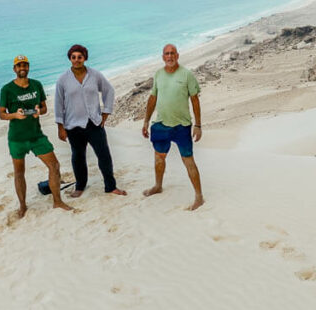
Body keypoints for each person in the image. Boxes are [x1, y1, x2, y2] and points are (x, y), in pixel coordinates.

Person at [0, 55, 72, 217]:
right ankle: (23, 206)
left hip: (37, 136)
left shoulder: (37, 85)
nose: (22, 68)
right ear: (14, 69)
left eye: (24, 65)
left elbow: (44, 108)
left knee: (54, 166)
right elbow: (2, 114)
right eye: (19, 65)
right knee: (19, 173)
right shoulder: (7, 89)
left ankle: (57, 201)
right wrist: (14, 116)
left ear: (28, 67)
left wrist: (40, 111)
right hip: (17, 139)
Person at [54, 44, 126, 198]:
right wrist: (60, 127)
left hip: (94, 123)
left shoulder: (95, 75)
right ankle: (80, 186)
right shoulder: (62, 80)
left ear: (85, 58)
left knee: (104, 155)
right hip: (73, 125)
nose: (77, 60)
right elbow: (58, 103)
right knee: (78, 157)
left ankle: (110, 186)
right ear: (70, 59)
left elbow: (109, 90)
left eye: (80, 57)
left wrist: (106, 112)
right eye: (73, 57)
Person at [141, 43, 204, 210]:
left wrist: (198, 125)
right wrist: (146, 121)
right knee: (159, 158)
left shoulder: (186, 74)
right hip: (161, 125)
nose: (169, 56)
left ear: (178, 55)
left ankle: (199, 197)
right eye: (167, 54)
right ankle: (158, 186)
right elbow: (153, 98)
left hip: (182, 126)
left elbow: (195, 100)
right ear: (163, 57)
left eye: (172, 53)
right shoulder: (158, 75)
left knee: (188, 161)